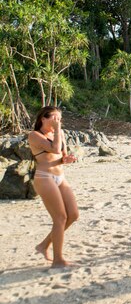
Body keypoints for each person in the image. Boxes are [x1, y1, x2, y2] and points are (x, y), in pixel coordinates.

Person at [28, 106, 78, 268]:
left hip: (60, 176)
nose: (58, 122)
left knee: (73, 214)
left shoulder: (60, 133)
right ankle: (58, 260)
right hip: (44, 177)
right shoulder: (34, 135)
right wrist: (57, 131)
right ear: (43, 118)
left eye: (59, 119)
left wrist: (67, 159)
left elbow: (61, 155)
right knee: (60, 218)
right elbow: (54, 148)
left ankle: (43, 245)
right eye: (55, 118)